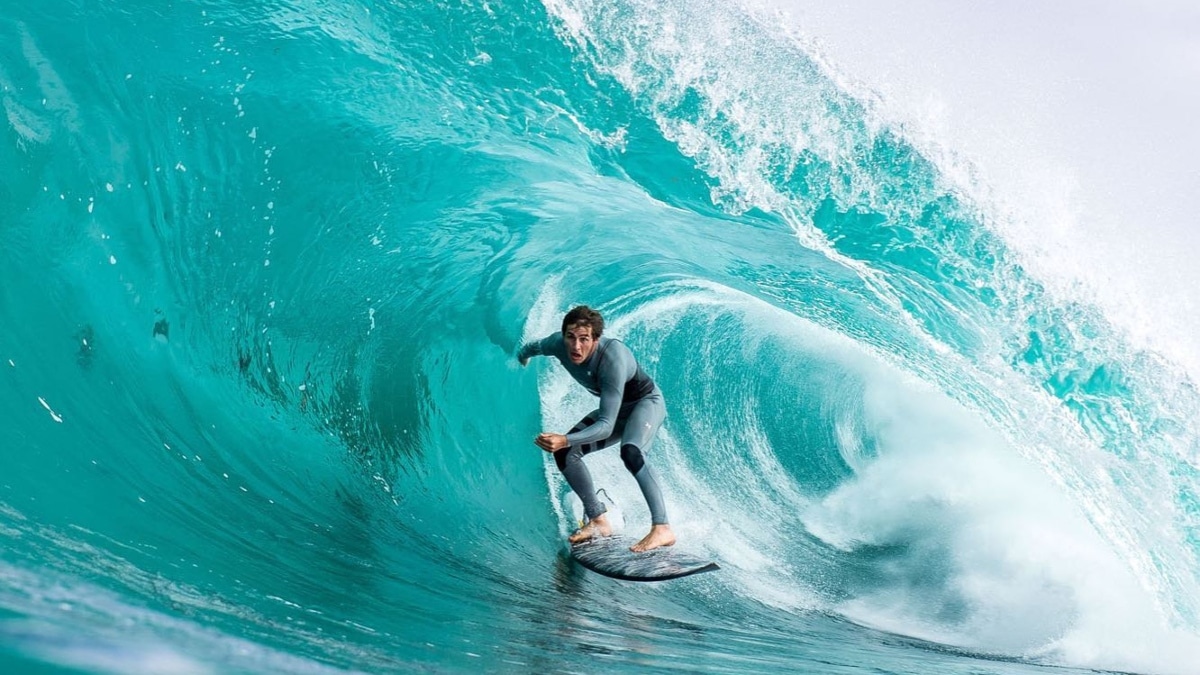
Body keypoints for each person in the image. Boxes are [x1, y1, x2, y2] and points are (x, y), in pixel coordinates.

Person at [518, 306, 676, 552]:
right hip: (618, 412)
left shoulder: (613, 359)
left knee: (631, 452)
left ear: (596, 339)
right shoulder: (557, 344)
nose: (576, 346)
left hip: (645, 404)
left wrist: (565, 438)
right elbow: (533, 347)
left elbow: (605, 426)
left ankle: (662, 528)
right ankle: (598, 520)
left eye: (584, 339)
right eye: (571, 337)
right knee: (565, 453)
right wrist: (520, 357)